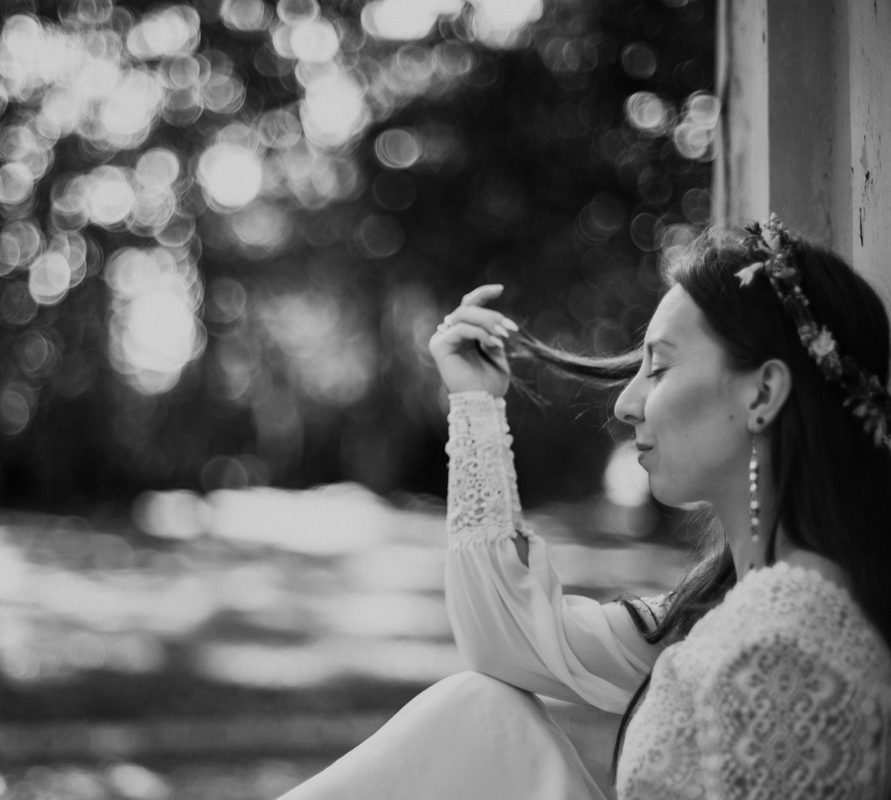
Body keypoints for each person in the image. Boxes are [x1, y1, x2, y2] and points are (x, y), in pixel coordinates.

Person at [278, 216, 891, 799]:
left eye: (659, 367)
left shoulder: (783, 639)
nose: (625, 403)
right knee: (481, 709)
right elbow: (508, 642)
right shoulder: (731, 611)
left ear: (763, 393)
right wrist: (476, 407)